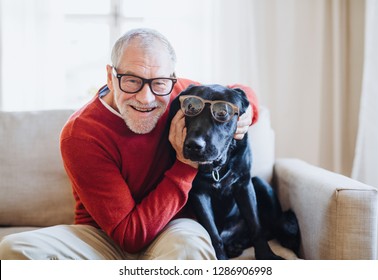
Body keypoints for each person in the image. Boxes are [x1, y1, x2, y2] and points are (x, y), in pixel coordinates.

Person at [0, 28, 259, 260]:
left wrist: (248, 113)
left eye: (158, 83)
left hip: (173, 226)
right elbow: (129, 235)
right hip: (101, 238)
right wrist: (184, 164)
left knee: (191, 248)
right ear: (111, 77)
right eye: (132, 81)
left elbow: (237, 91)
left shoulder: (182, 95)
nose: (146, 98)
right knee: (14, 249)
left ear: (172, 80)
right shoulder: (81, 134)